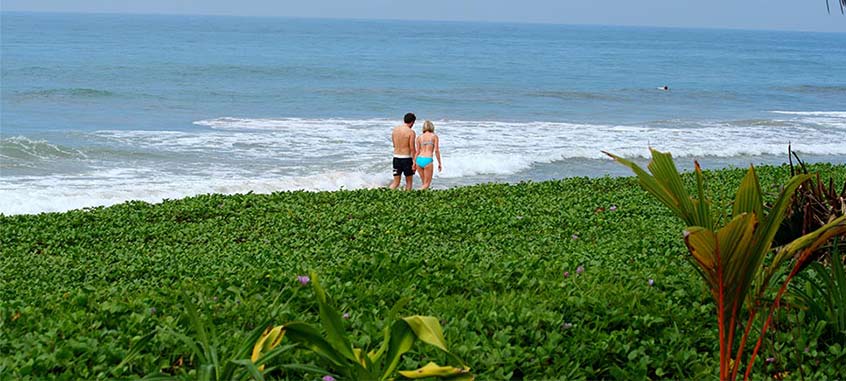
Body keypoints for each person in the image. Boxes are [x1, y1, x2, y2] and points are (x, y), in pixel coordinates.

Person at [389, 113, 417, 190]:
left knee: (396, 183)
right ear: (412, 122)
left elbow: (394, 145)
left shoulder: (395, 130)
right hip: (406, 159)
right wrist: (414, 162)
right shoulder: (411, 132)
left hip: (396, 159)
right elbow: (412, 148)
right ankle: (408, 199)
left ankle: (386, 195)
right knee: (409, 182)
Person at [414, 120, 442, 190]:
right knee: (427, 184)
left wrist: (414, 163)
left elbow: (417, 151)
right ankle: (415, 194)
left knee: (424, 183)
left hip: (419, 159)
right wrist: (439, 163)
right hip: (428, 160)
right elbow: (436, 150)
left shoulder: (419, 137)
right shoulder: (434, 136)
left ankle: (422, 198)